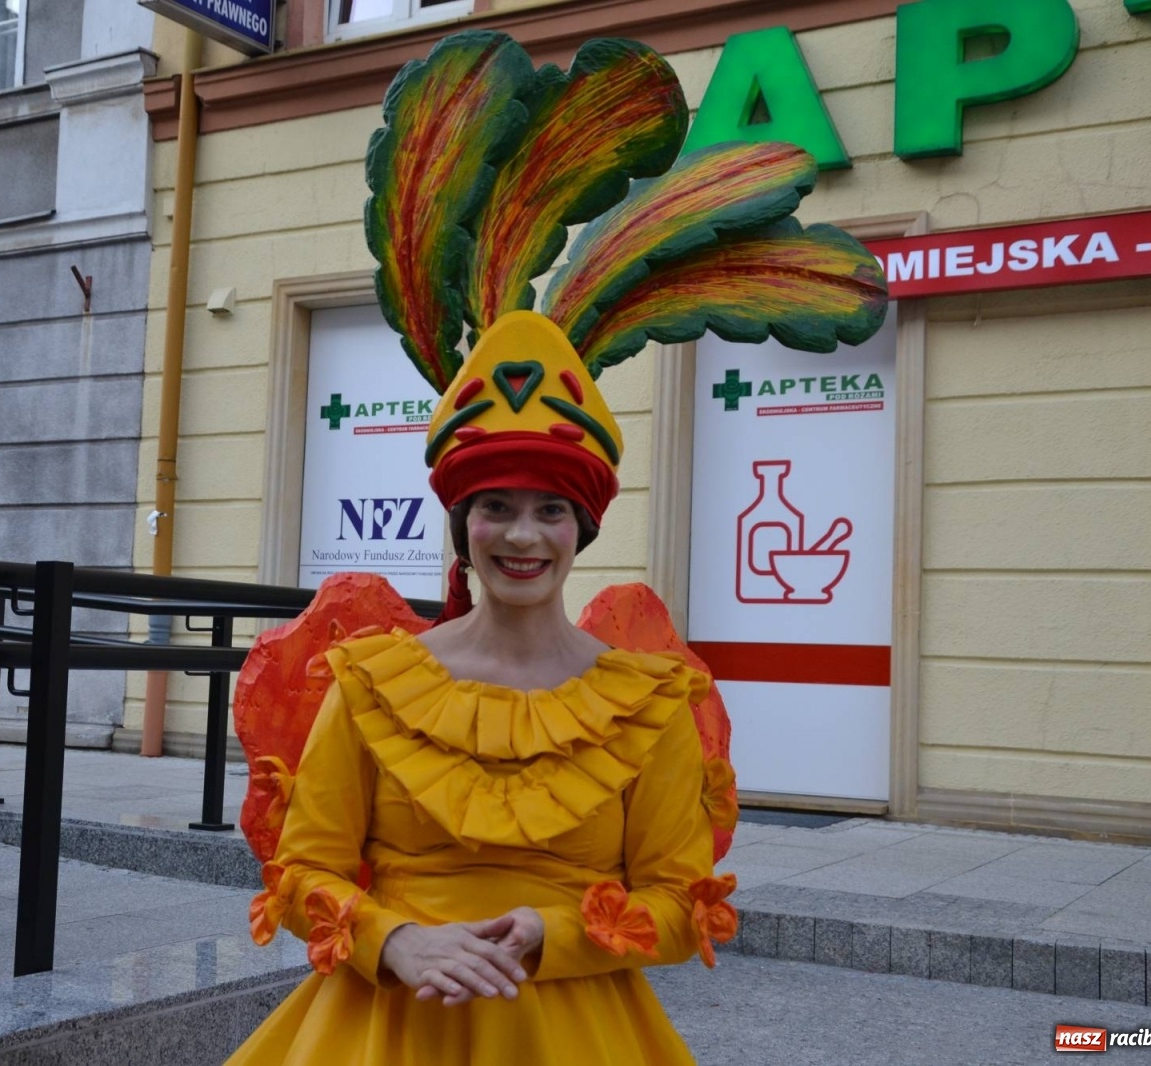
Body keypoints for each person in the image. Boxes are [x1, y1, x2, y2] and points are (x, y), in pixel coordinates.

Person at [228, 28, 884, 1065]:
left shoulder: (649, 702)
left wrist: (555, 933)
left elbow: (680, 903)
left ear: (582, 528)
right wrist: (396, 941)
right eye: (495, 508)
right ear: (462, 526)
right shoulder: (370, 683)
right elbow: (304, 871)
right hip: (385, 1029)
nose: (521, 535)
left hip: (576, 1028)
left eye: (549, 510)